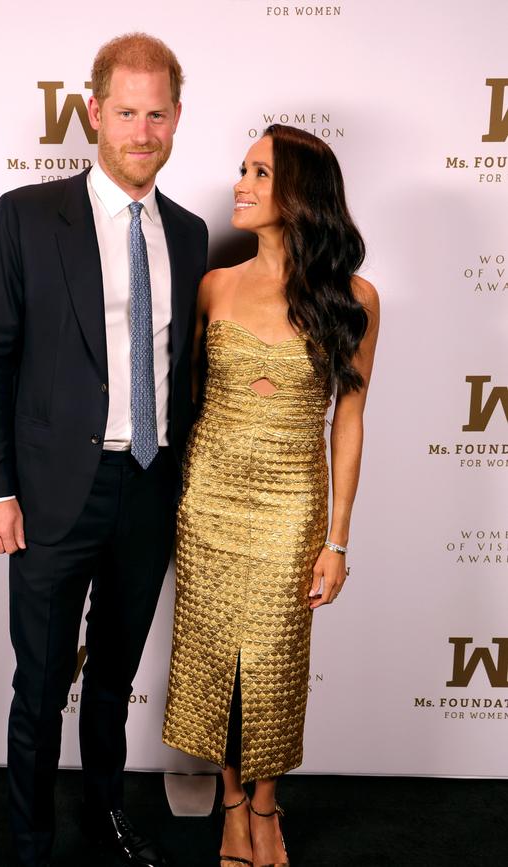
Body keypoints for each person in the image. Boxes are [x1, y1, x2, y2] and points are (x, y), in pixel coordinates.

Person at [0, 33, 208, 867]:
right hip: (50, 493)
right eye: (127, 112)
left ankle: (104, 817)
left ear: (177, 118)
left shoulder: (189, 231)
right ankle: (31, 844)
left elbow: (185, 368)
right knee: (40, 686)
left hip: (147, 487)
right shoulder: (28, 215)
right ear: (95, 113)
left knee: (111, 682)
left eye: (158, 113)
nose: (143, 131)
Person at [163, 124, 379, 867]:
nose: (241, 184)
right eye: (242, 168)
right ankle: (230, 807)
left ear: (299, 194)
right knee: (215, 662)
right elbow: (182, 398)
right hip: (210, 500)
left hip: (292, 505)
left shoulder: (354, 298)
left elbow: (348, 419)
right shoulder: (215, 285)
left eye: (260, 172)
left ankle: (265, 804)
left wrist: (337, 538)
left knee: (275, 667)